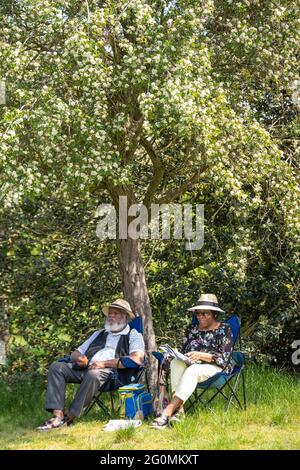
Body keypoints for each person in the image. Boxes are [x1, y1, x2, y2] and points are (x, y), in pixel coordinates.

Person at [37, 299, 145, 431]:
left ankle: (68, 418)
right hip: (87, 368)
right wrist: (80, 358)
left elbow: (137, 359)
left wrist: (104, 363)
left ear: (126, 317)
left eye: (115, 313)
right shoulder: (98, 333)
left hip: (112, 375)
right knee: (56, 367)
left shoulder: (133, 335)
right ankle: (57, 416)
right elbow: (76, 353)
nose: (111, 316)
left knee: (94, 374)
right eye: (109, 313)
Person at [151, 293, 234, 429]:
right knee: (176, 363)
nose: (200, 316)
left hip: (216, 368)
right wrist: (174, 355)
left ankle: (167, 412)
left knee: (193, 370)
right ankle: (180, 411)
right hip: (192, 365)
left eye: (205, 313)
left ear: (214, 314)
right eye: (198, 313)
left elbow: (224, 359)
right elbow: (184, 353)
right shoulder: (191, 330)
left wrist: (201, 355)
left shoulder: (225, 329)